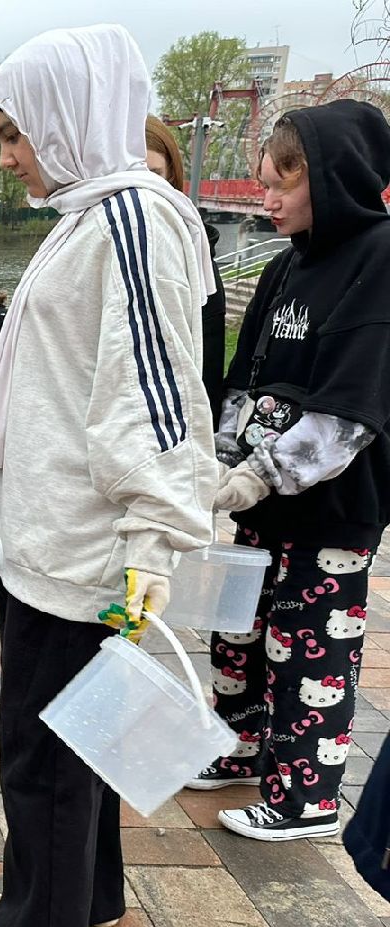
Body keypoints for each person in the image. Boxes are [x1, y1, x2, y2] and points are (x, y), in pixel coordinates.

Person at [0, 24, 218, 927]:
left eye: (13, 134)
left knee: (49, 752)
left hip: (81, 545)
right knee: (80, 738)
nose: (8, 157)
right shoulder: (93, 215)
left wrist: (152, 538)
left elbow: (154, 394)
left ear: (67, 116)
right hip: (51, 536)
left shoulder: (132, 222)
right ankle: (80, 895)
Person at [186, 101, 390, 845]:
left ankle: (306, 797)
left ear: (332, 178)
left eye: (282, 183)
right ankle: (240, 746)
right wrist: (221, 462)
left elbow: (350, 410)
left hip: (332, 510)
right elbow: (244, 382)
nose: (266, 198)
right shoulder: (283, 265)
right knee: (237, 631)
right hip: (260, 501)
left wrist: (260, 474)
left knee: (308, 649)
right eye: (263, 183)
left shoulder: (379, 259)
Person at [145, 115, 227, 405]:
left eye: (153, 175)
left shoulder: (197, 260)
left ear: (171, 176)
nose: (141, 189)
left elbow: (208, 356)